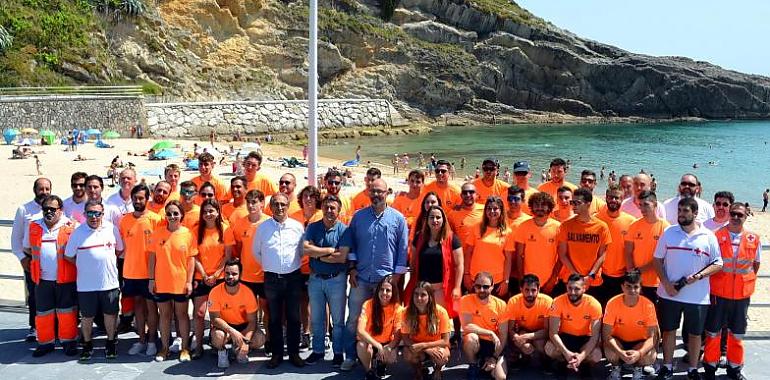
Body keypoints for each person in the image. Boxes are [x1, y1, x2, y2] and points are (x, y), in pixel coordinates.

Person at [340, 178, 409, 371]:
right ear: (368, 192)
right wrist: (351, 268)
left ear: (387, 193)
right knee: (354, 318)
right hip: (361, 278)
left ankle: (382, 355)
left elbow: (402, 251)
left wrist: (396, 277)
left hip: (385, 281)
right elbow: (352, 245)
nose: (376, 194)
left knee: (385, 320)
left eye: (380, 191)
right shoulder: (358, 217)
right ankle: (351, 356)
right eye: (373, 191)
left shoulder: (398, 219)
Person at [653, 197, 723, 380]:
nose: (681, 215)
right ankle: (667, 366)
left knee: (695, 334)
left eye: (685, 211)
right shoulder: (669, 232)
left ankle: (692, 369)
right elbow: (657, 260)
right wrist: (667, 284)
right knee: (668, 331)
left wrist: (699, 276)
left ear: (695, 213)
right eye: (679, 211)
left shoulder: (708, 236)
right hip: (669, 294)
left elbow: (718, 263)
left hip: (697, 297)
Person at [703, 202, 760, 380]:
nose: (736, 217)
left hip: (741, 295)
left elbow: (755, 264)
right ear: (728, 214)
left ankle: (734, 368)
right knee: (713, 332)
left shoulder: (754, 238)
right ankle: (710, 367)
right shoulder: (715, 236)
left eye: (740, 215)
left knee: (737, 333)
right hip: (718, 293)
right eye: (733, 213)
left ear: (745, 216)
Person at [64, 200, 124, 361]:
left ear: (102, 214)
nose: (94, 216)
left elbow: (119, 250)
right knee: (87, 317)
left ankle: (111, 343)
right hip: (85, 285)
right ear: (84, 214)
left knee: (110, 315)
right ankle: (87, 345)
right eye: (90, 213)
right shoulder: (78, 232)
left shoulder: (112, 228)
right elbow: (69, 256)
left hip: (110, 283)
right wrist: (86, 265)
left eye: (97, 213)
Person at [253, 193, 306, 368]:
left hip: (293, 278)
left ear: (288, 205)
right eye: (276, 204)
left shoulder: (298, 227)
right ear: (270, 207)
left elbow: (301, 251)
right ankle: (276, 355)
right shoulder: (262, 228)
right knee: (274, 318)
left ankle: (293, 354)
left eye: (283, 204)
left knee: (293, 317)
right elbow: (257, 252)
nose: (280, 208)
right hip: (271, 280)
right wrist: (273, 266)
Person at [23, 195, 78, 357]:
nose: (49, 212)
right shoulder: (34, 226)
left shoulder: (71, 226)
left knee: (67, 312)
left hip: (65, 279)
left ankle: (68, 342)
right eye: (46, 209)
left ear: (60, 211)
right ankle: (45, 343)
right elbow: (27, 248)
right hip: (42, 280)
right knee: (43, 313)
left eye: (53, 209)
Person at [147, 200, 197, 362]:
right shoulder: (158, 233)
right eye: (169, 213)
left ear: (181, 215)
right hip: (162, 282)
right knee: (165, 315)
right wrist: (151, 279)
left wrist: (189, 282)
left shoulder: (188, 234)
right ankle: (164, 348)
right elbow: (152, 258)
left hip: (181, 283)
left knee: (182, 315)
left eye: (176, 213)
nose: (172, 216)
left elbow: (191, 261)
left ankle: (184, 348)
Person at [302, 195, 348, 366]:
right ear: (322, 208)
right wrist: (328, 250)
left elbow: (341, 257)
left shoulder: (344, 230)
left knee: (337, 320)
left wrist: (318, 255)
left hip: (336, 279)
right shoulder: (313, 227)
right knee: (317, 318)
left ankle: (338, 353)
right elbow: (305, 248)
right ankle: (318, 351)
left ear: (339, 210)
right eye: (327, 207)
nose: (329, 211)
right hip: (315, 279)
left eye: (333, 208)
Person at [119, 184, 162, 357]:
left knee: (152, 308)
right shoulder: (125, 220)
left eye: (141, 198)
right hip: (131, 271)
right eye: (135, 198)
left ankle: (152, 340)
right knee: (138, 306)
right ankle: (141, 340)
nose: (138, 201)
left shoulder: (155, 219)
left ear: (147, 199)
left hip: (149, 272)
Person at [191, 198, 234, 359]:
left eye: (211, 211)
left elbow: (227, 256)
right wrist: (204, 275)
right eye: (205, 211)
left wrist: (216, 274)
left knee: (220, 315)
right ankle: (199, 345)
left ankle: (219, 343)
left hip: (220, 277)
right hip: (201, 277)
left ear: (217, 212)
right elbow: (194, 256)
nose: (208, 214)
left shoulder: (226, 229)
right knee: (200, 313)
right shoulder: (196, 231)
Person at [406, 205, 463, 324]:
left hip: (440, 290)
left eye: (438, 217)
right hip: (421, 289)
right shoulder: (419, 237)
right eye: (431, 217)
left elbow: (459, 265)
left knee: (440, 321)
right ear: (427, 220)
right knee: (422, 321)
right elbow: (413, 261)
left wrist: (457, 287)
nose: (435, 220)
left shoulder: (452, 239)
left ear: (443, 219)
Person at [11, 177, 52, 342]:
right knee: (35, 295)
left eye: (47, 189)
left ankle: (52, 327)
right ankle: (34, 327)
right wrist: (22, 258)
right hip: (32, 260)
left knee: (51, 294)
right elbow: (16, 238)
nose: (44, 192)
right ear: (35, 190)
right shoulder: (24, 210)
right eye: (41, 189)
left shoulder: (55, 207)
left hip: (53, 261)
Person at [230, 190, 270, 352]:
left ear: (262, 204)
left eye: (255, 202)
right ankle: (247, 341)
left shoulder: (269, 222)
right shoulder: (240, 224)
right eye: (249, 202)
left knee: (267, 310)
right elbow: (238, 249)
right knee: (249, 313)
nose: (251, 205)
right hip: (247, 277)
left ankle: (268, 341)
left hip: (265, 275)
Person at [208, 259, 264, 368]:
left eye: (234, 274)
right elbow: (214, 319)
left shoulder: (248, 293)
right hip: (224, 327)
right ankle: (222, 351)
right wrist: (233, 332)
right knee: (218, 337)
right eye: (227, 273)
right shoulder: (215, 292)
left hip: (243, 326)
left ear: (240, 274)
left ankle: (240, 348)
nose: (230, 277)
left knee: (259, 339)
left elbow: (252, 321)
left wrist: (246, 342)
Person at [555, 188, 612, 297]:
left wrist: (590, 276)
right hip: (570, 279)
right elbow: (562, 254)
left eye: (577, 203)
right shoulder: (566, 225)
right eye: (572, 202)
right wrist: (576, 275)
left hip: (593, 281)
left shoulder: (601, 227)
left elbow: (603, 255)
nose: (573, 205)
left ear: (588, 204)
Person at [603, 269, 658, 380]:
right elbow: (606, 334)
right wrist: (620, 352)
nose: (632, 290)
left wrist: (639, 353)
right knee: (610, 352)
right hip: (619, 340)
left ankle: (638, 369)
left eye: (636, 287)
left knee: (650, 356)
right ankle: (616, 368)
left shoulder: (648, 305)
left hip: (639, 342)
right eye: (628, 286)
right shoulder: (612, 303)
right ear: (622, 287)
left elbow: (653, 337)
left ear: (640, 288)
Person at [545, 274, 603, 376]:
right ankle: (563, 363)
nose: (572, 292)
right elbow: (553, 333)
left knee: (596, 355)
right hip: (565, 337)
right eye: (570, 288)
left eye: (577, 289)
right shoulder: (557, 301)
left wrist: (581, 356)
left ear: (584, 289)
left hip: (585, 338)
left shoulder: (594, 304)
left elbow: (595, 336)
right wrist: (566, 353)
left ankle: (584, 365)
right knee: (549, 348)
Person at [461, 272, 509, 380]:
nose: (481, 290)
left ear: (492, 287)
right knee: (470, 338)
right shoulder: (466, 300)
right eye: (478, 286)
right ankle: (473, 365)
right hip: (477, 340)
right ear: (474, 285)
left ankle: (487, 361)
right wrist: (490, 332)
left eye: (486, 287)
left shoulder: (501, 305)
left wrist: (494, 357)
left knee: (500, 377)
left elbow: (503, 335)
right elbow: (467, 327)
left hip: (494, 344)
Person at [511, 192, 561, 294]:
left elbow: (561, 257)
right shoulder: (523, 226)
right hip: (528, 282)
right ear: (531, 207)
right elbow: (519, 256)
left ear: (549, 207)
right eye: (536, 205)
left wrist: (552, 279)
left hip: (549, 281)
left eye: (543, 205)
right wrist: (521, 278)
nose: (539, 208)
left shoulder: (558, 227)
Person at [402, 281, 453, 380]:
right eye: (416, 294)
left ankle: (438, 369)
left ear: (430, 297)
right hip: (417, 346)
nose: (419, 298)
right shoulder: (406, 312)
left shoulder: (441, 312)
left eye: (423, 295)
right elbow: (405, 338)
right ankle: (418, 370)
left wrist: (425, 346)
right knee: (408, 354)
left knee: (442, 357)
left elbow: (445, 341)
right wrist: (425, 348)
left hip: (435, 345)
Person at [625, 191, 670, 302]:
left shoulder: (666, 227)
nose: (642, 209)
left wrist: (640, 270)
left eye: (646, 204)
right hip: (637, 283)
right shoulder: (634, 225)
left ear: (655, 204)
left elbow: (664, 258)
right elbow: (628, 253)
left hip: (657, 282)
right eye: (640, 205)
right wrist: (633, 277)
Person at [596, 184, 636, 305]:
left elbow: (633, 250)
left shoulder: (631, 221)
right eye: (611, 197)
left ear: (622, 199)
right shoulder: (596, 219)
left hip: (621, 276)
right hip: (600, 274)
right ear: (606, 198)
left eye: (617, 198)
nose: (613, 200)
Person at [357, 275, 403, 380]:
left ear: (393, 293)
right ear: (378, 291)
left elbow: (398, 336)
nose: (384, 293)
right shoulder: (368, 304)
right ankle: (369, 371)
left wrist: (389, 347)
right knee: (361, 345)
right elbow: (360, 330)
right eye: (382, 289)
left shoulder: (398, 309)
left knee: (392, 355)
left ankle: (381, 364)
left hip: (386, 343)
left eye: (388, 290)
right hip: (371, 342)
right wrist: (378, 346)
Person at [464, 196, 511, 298]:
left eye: (495, 208)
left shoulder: (507, 232)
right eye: (489, 208)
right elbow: (468, 253)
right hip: (475, 279)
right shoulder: (476, 228)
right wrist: (466, 275)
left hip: (497, 281)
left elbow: (508, 259)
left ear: (501, 210)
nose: (492, 211)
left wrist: (506, 281)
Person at [505, 274, 553, 368]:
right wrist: (517, 338)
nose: (530, 294)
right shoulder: (513, 301)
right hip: (522, 330)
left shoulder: (547, 301)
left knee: (540, 345)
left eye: (533, 290)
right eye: (527, 290)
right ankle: (523, 356)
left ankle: (544, 358)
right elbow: (510, 329)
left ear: (538, 289)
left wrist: (528, 336)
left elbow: (548, 330)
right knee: (525, 346)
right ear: (521, 289)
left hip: (540, 332)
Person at [447, 182, 485, 248]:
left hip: (480, 255)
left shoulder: (485, 210)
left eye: (471, 192)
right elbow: (449, 236)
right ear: (461, 195)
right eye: (465, 192)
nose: (468, 195)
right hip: (462, 255)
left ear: (476, 195)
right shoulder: (453, 214)